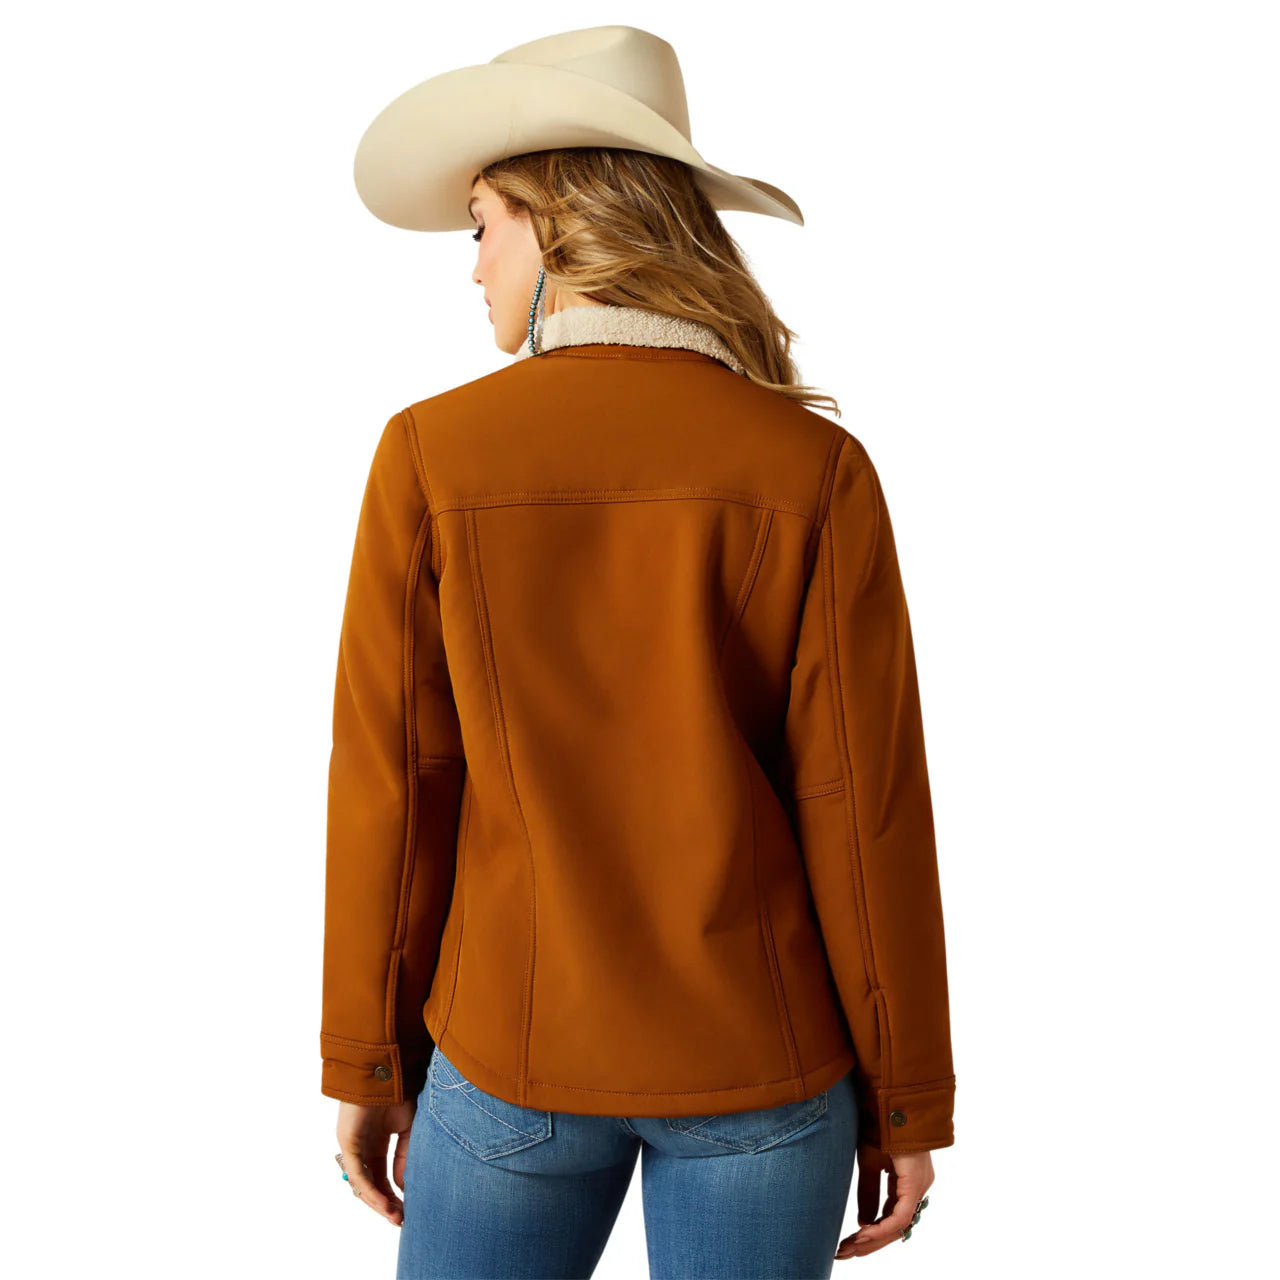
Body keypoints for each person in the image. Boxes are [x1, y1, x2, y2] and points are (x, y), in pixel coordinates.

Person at [319, 24, 955, 1279]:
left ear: (557, 225)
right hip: (762, 1069)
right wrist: (905, 1094)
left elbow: (394, 784)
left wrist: (367, 1058)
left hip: (509, 1053)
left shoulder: (432, 453)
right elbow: (862, 807)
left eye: (482, 226)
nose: (473, 267)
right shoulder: (814, 467)